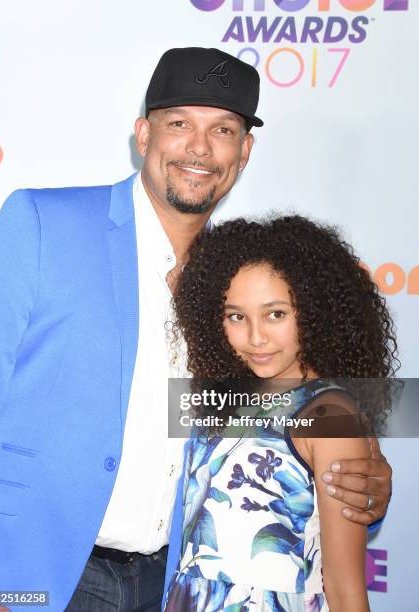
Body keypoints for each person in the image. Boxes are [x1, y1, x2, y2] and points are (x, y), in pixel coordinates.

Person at [0, 48, 391, 612]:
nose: (199, 148)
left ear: (244, 152)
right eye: (180, 124)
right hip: (38, 575)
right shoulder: (42, 224)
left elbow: (288, 406)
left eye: (223, 130)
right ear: (144, 135)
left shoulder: (234, 280)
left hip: (178, 583)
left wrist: (363, 469)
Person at [165, 216, 398, 611]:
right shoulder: (232, 397)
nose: (256, 337)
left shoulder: (328, 414)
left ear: (313, 310)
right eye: (236, 316)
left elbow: (344, 589)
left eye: (275, 314)